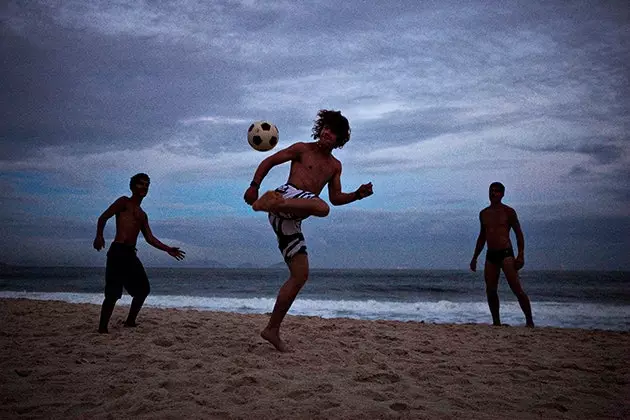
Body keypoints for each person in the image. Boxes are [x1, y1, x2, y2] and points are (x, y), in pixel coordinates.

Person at [243, 109, 373, 351]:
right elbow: (270, 160)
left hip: (290, 219)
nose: (326, 133)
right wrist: (254, 185)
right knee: (320, 206)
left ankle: (271, 329)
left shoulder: (335, 166)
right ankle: (271, 202)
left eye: (333, 132)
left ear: (339, 139)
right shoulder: (302, 149)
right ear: (319, 128)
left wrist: (357, 195)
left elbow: (335, 197)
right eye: (325, 127)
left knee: (300, 275)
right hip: (287, 196)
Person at [93, 173, 185, 333]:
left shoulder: (142, 214)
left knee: (143, 290)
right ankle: (102, 329)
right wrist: (99, 235)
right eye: (141, 184)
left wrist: (168, 249)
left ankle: (130, 321)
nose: (144, 187)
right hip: (117, 251)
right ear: (133, 186)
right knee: (113, 293)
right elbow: (103, 217)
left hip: (130, 254)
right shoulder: (124, 202)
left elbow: (150, 238)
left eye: (146, 185)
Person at [470, 182, 534, 327]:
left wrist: (521, 255)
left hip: (506, 253)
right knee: (491, 290)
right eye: (491, 191)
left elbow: (519, 234)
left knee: (516, 288)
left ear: (502, 194)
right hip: (491, 255)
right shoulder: (484, 213)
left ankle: (529, 320)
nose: (493, 193)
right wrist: (475, 257)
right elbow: (482, 237)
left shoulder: (508, 212)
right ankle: (496, 322)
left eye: (497, 191)